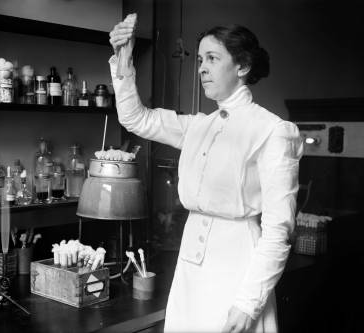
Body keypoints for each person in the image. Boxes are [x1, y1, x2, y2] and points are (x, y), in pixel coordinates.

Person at [109, 16, 303, 333]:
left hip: (238, 266)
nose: (201, 68)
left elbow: (279, 228)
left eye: (212, 58)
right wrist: (124, 57)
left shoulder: (272, 131)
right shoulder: (199, 126)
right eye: (200, 60)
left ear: (242, 66)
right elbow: (136, 119)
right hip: (191, 265)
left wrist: (247, 302)